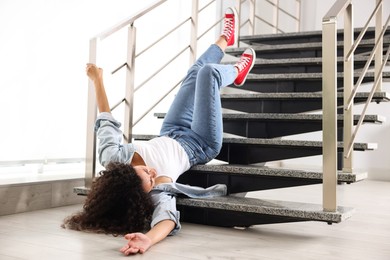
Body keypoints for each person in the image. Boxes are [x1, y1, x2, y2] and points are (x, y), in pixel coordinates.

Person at [62, 7, 255, 256]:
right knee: (208, 74)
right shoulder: (157, 191)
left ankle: (223, 40)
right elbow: (166, 220)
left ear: (126, 174)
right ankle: (237, 72)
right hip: (200, 143)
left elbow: (105, 119)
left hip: (172, 129)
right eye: (152, 179)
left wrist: (97, 80)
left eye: (146, 173)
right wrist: (148, 240)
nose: (153, 173)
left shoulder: (113, 156)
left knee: (194, 73)